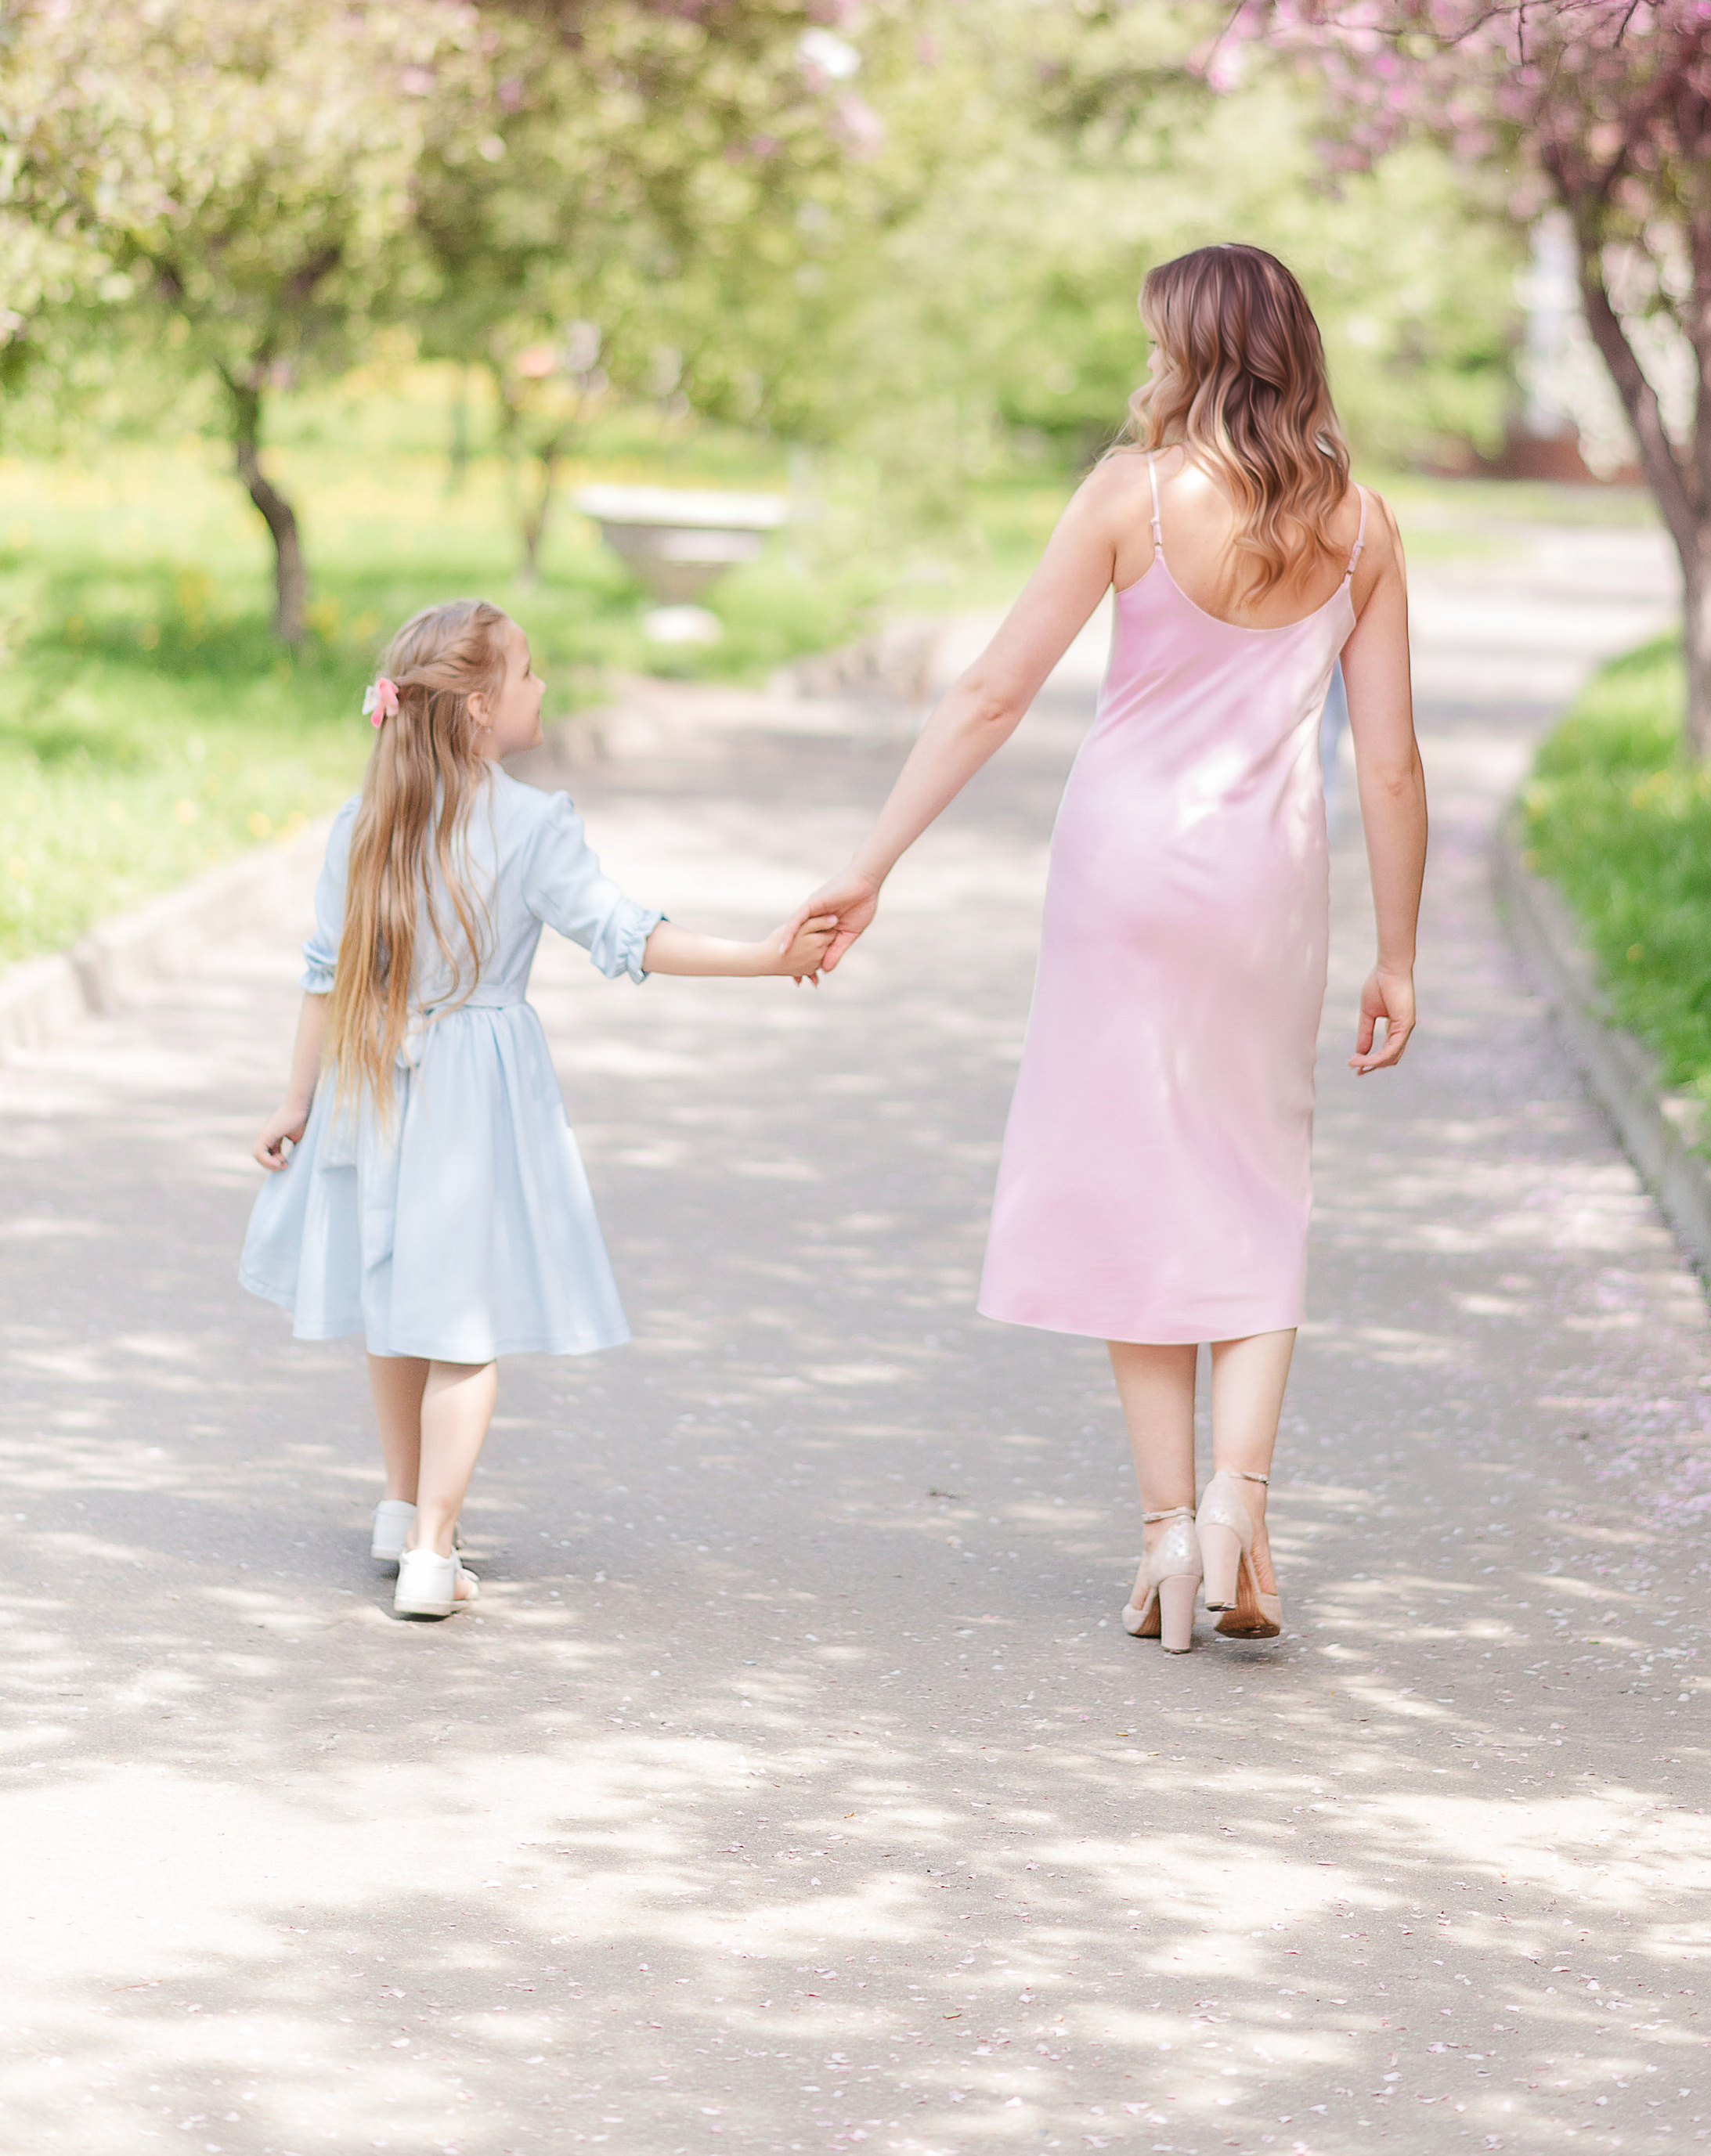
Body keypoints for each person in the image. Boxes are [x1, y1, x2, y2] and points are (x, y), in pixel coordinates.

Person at [796, 244, 1426, 1652]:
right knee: (1260, 1183)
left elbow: (991, 689)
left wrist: (870, 860)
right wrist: (1399, 951)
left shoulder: (1130, 496)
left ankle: (1164, 1541)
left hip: (1120, 879)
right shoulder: (1363, 527)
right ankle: (1241, 1505)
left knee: (1137, 1181)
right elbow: (1387, 765)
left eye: (1158, 339)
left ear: (1193, 350)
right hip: (1269, 890)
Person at [242, 597, 833, 1621]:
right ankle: (433, 1548)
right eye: (528, 674)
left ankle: (400, 1502)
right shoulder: (529, 823)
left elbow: (324, 976)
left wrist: (297, 1099)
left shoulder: (365, 818)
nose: (543, 687)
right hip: (474, 1090)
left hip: (376, 1077)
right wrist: (764, 956)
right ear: (478, 707)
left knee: (394, 1298)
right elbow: (623, 934)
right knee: (464, 1323)